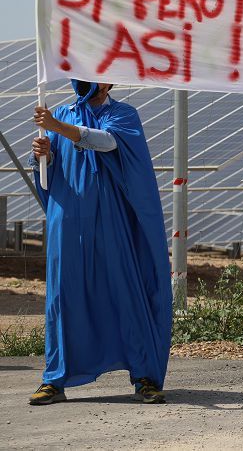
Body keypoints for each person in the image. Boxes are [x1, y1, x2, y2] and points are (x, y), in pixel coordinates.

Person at [28, 80, 171, 406]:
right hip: (68, 217)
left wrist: (56, 127)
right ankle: (54, 379)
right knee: (63, 297)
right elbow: (47, 171)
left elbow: (107, 143)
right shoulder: (61, 113)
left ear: (108, 80)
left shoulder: (122, 114)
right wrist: (44, 155)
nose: (83, 80)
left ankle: (144, 376)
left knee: (126, 291)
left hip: (112, 220)